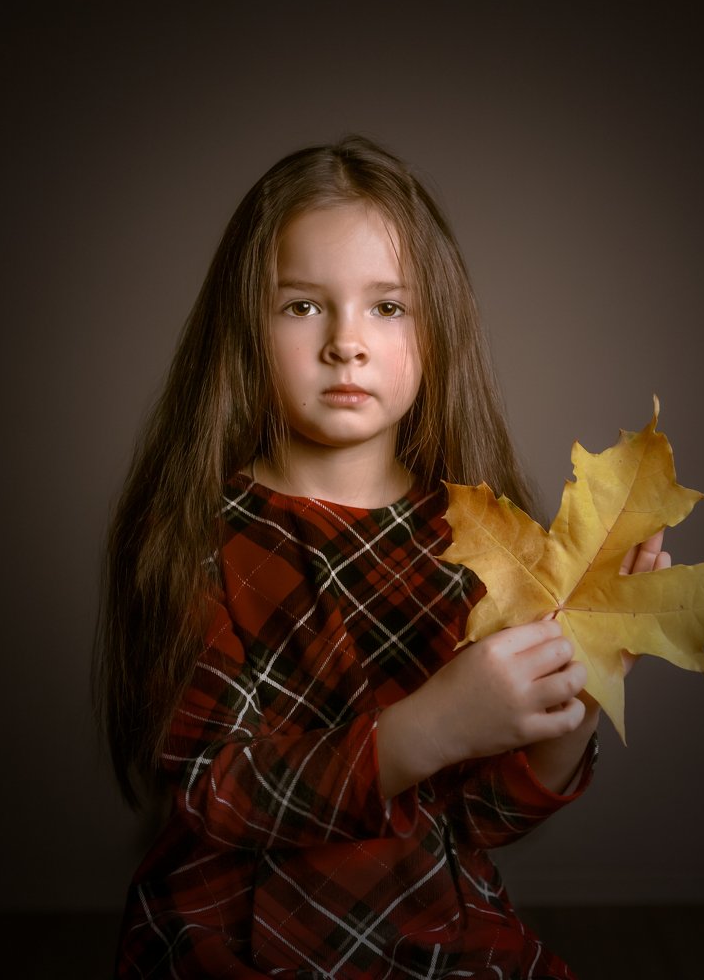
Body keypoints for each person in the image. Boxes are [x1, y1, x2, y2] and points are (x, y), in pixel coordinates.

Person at [96, 136, 669, 978]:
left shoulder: (476, 540)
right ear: (245, 326)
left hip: (432, 932)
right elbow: (210, 790)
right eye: (302, 306)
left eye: (387, 307)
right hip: (242, 937)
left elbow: (479, 817)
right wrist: (423, 729)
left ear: (437, 330)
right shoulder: (198, 534)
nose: (345, 343)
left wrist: (573, 702)